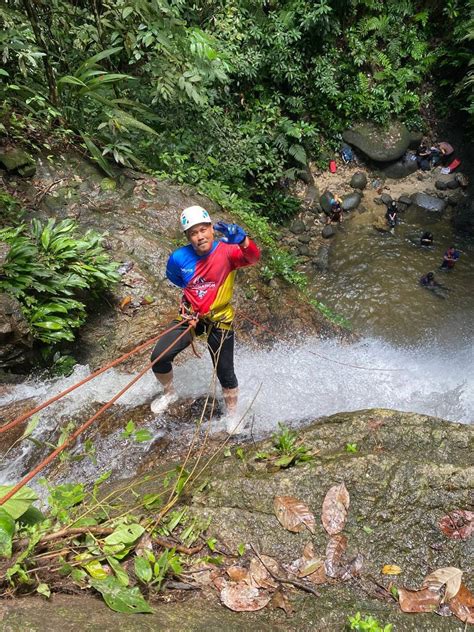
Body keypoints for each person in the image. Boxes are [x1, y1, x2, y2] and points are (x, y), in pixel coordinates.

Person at [150, 205, 260, 432]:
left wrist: (243, 241)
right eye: (193, 233)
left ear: (211, 229)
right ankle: (169, 393)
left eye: (203, 230)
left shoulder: (227, 251)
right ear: (188, 237)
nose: (200, 236)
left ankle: (232, 416)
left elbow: (253, 258)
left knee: (225, 373)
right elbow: (176, 278)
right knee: (159, 356)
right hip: (191, 317)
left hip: (219, 320)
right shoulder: (179, 258)